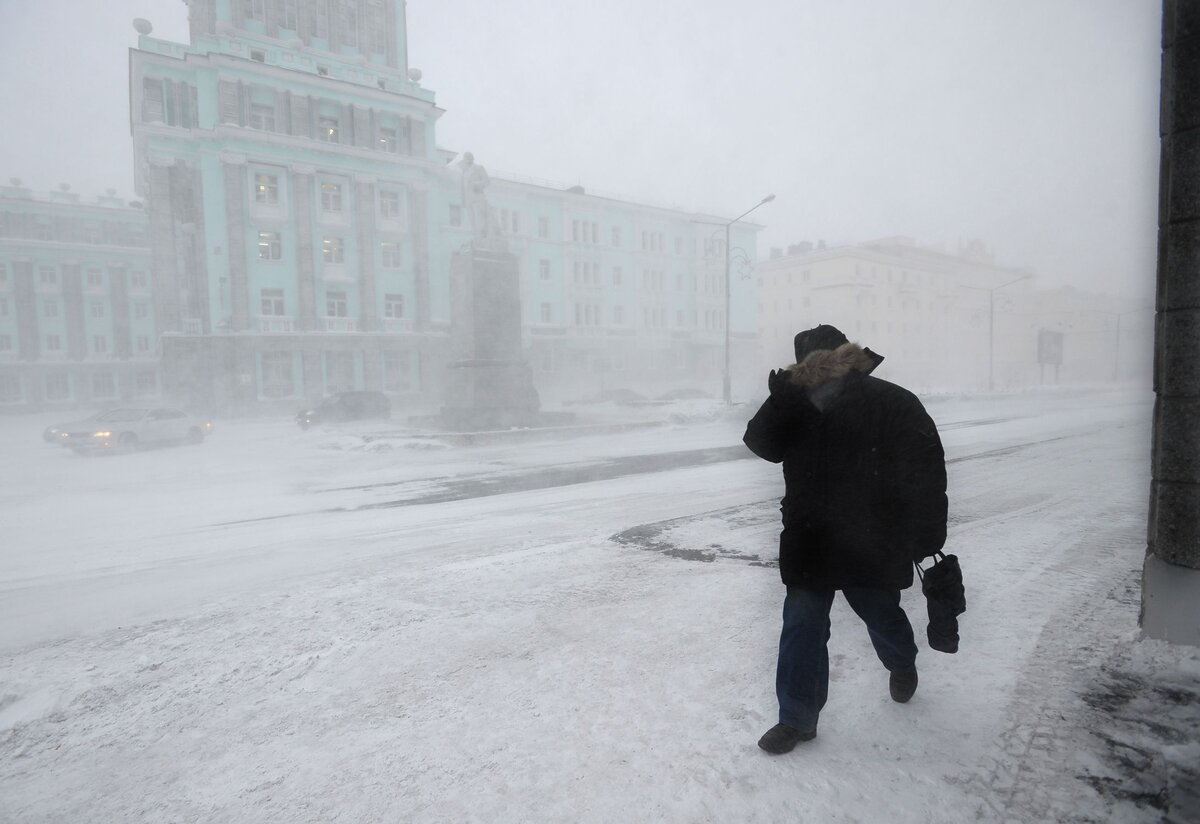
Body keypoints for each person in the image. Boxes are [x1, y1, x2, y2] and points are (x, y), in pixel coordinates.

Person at [742, 324, 948, 754]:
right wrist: (780, 403)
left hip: (871, 536)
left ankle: (901, 661)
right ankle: (796, 720)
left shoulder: (890, 401)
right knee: (802, 627)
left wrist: (926, 535)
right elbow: (761, 444)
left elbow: (925, 470)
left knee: (880, 614)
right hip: (810, 537)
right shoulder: (794, 403)